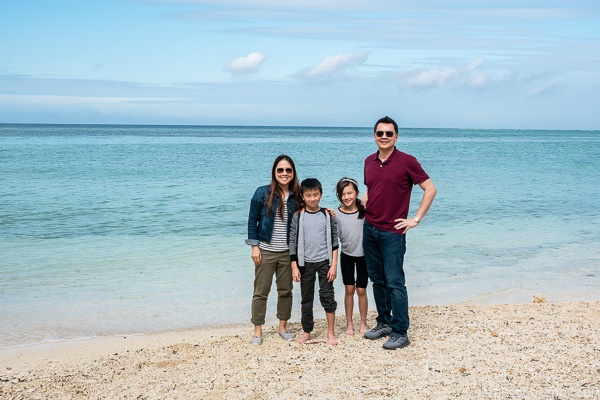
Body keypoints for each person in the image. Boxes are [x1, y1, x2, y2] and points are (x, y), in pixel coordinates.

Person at [362, 116, 437, 350]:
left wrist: (415, 219)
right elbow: (370, 192)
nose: (384, 137)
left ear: (396, 136)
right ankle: (383, 322)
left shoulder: (407, 161)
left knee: (395, 282)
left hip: (393, 233)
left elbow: (430, 188)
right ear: (374, 136)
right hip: (369, 229)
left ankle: (400, 331)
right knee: (377, 280)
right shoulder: (369, 161)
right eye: (379, 133)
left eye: (388, 133)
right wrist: (349, 209)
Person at [246, 154, 303, 345]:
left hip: (288, 253)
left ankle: (282, 327)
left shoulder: (298, 195)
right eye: (280, 170)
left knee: (285, 291)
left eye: (288, 170)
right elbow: (252, 221)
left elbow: (311, 211)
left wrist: (328, 212)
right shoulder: (262, 193)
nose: (284, 173)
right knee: (261, 291)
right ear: (274, 172)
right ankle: (257, 331)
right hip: (266, 250)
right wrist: (255, 246)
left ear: (293, 173)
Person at [289, 178, 339, 346]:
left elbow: (334, 242)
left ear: (321, 194)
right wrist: (294, 265)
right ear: (302, 196)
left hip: (325, 262)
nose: (312, 198)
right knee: (306, 299)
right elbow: (292, 242)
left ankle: (330, 332)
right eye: (308, 195)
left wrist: (334, 265)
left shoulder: (327, 215)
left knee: (327, 296)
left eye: (315, 195)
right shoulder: (298, 216)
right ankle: (307, 332)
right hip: (305, 263)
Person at [335, 177, 369, 336]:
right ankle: (349, 324)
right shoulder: (336, 214)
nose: (347, 197)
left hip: (364, 256)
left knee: (361, 290)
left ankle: (363, 322)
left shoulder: (364, 209)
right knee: (349, 289)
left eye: (350, 193)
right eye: (343, 194)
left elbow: (373, 188)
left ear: (356, 193)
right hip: (347, 255)